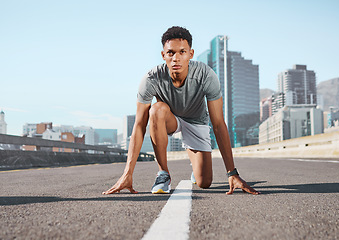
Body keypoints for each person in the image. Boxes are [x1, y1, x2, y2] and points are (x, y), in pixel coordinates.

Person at [103, 26, 259, 195]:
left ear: (190, 54)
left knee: (204, 182)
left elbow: (218, 124)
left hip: (196, 122)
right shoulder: (151, 78)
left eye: (182, 52)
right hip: (170, 119)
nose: (176, 58)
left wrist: (232, 173)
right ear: (163, 55)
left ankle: (195, 160)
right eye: (170, 53)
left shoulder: (206, 75)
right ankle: (163, 174)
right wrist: (127, 173)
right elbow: (139, 126)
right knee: (156, 110)